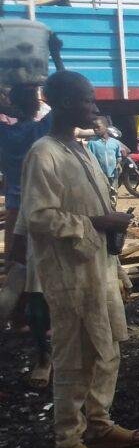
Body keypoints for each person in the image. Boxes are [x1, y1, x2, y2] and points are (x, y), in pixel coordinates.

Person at [20, 71, 139, 448]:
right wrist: (96, 223)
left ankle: (99, 423)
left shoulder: (81, 149)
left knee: (106, 349)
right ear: (63, 103)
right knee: (73, 355)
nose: (95, 107)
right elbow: (38, 216)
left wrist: (111, 241)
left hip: (100, 268)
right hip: (69, 273)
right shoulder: (44, 153)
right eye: (87, 100)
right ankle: (68, 438)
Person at [0, 83, 53, 388]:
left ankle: (20, 321)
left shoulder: (6, 134)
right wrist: (57, 58)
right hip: (40, 210)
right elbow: (60, 104)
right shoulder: (40, 132)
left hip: (15, 210)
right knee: (38, 281)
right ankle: (43, 351)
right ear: (36, 103)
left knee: (17, 269)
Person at [86, 117, 129, 186]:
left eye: (98, 127)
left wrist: (119, 164)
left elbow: (118, 157)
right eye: (94, 127)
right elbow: (88, 159)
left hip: (113, 175)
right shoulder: (92, 143)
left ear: (106, 127)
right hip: (99, 176)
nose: (95, 129)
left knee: (113, 195)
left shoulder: (115, 142)